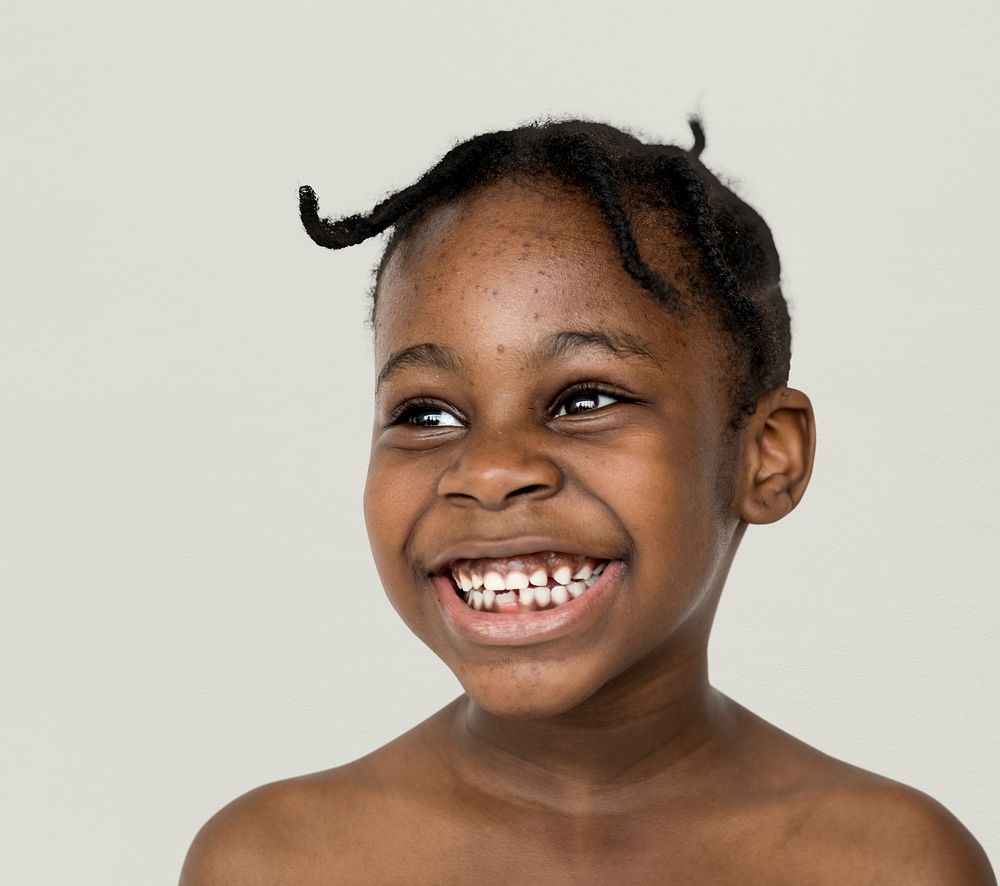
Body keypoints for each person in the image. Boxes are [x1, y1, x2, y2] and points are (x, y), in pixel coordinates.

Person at [180, 118, 995, 884]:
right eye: (427, 414)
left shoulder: (893, 866)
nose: (490, 470)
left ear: (765, 457)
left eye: (583, 400)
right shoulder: (275, 863)